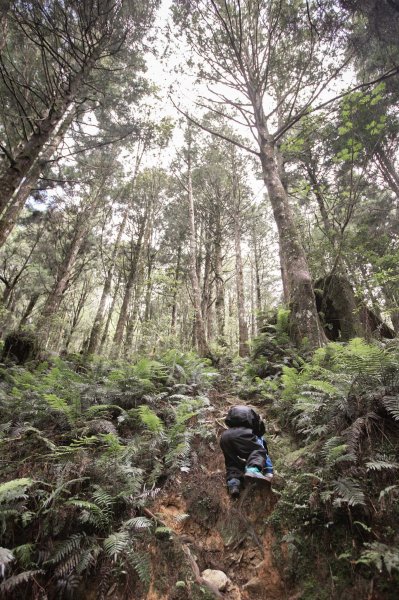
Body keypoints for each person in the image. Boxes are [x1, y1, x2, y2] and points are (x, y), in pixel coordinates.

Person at [220, 405, 272, 498]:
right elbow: (258, 426)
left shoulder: (232, 412)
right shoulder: (253, 413)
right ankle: (253, 470)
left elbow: (227, 421)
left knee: (232, 462)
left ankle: (233, 483)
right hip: (243, 433)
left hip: (225, 436)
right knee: (258, 450)